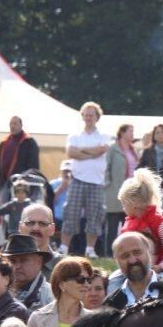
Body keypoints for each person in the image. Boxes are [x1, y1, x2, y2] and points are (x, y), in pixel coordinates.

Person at [62, 102, 111, 259]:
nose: (89, 117)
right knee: (71, 212)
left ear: (97, 117)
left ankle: (90, 249)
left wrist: (81, 151)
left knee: (95, 215)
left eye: (92, 115)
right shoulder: (74, 136)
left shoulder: (105, 136)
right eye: (86, 114)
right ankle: (64, 247)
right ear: (82, 116)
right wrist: (93, 152)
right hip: (77, 179)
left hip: (97, 182)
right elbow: (71, 153)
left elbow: (102, 150)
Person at [27, 258, 93, 327]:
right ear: (62, 284)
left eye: (88, 280)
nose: (87, 285)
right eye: (81, 279)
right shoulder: (37, 319)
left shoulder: (93, 322)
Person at [118, 167, 163, 273]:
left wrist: (160, 267)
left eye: (124, 204)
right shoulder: (128, 224)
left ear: (134, 204)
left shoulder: (161, 224)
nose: (122, 208)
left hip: (155, 272)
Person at [105, 232, 163, 310]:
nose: (132, 260)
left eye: (137, 253)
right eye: (125, 256)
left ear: (149, 253)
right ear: (116, 261)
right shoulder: (111, 305)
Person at [0, 116, 39, 198]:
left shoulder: (29, 142)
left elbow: (34, 166)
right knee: (3, 208)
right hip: (4, 184)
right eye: (11, 124)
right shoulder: (4, 143)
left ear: (21, 125)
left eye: (15, 123)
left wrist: (24, 178)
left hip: (21, 184)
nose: (12, 126)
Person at [18, 204, 62, 280]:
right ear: (20, 227)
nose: (36, 228)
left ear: (52, 229)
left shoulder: (65, 267)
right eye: (30, 223)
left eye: (42, 223)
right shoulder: (5, 265)